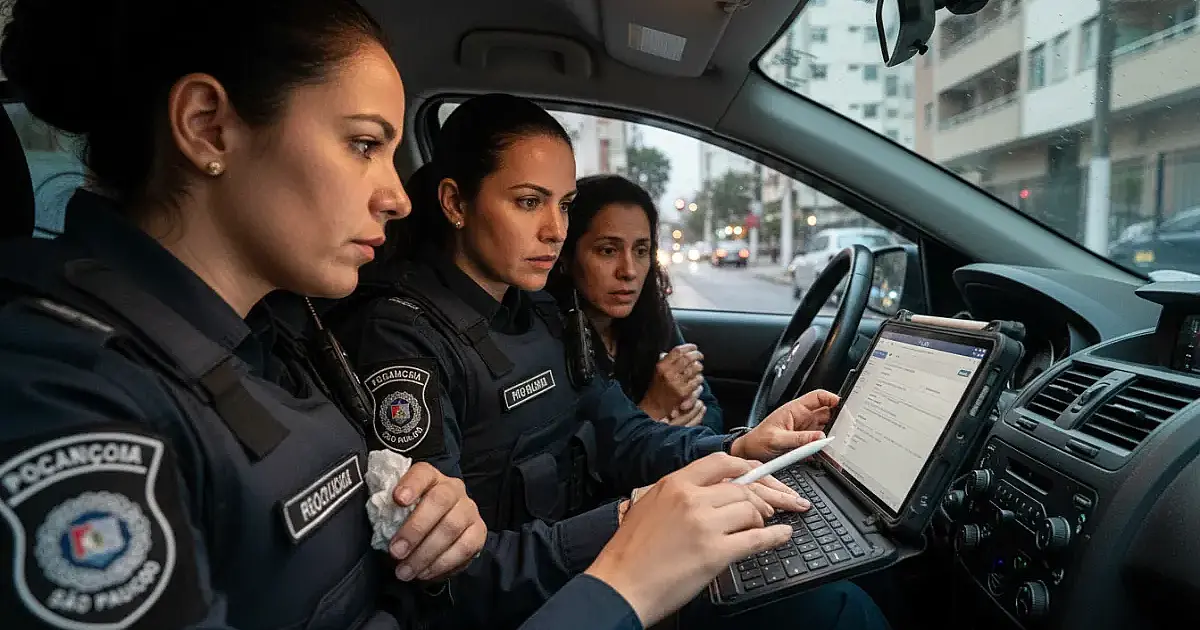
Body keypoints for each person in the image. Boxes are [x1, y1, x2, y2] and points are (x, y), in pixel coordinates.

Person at [0, 3, 810, 630]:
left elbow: (415, 574)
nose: (395, 194)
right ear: (208, 127)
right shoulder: (63, 400)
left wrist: (703, 469)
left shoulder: (280, 339)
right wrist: (621, 582)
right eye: (363, 145)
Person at [327, 93, 890, 630]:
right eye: (528, 202)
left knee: (838, 576)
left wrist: (736, 448)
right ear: (455, 203)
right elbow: (448, 579)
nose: (554, 230)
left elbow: (625, 434)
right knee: (838, 612)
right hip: (543, 607)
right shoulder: (402, 337)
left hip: (596, 569)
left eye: (564, 205)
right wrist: (629, 522)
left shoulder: (545, 313)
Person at [546, 174, 722, 431]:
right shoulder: (546, 335)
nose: (628, 271)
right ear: (566, 256)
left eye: (641, 251)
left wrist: (681, 424)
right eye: (608, 250)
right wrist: (651, 413)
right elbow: (574, 461)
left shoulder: (652, 313)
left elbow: (712, 414)